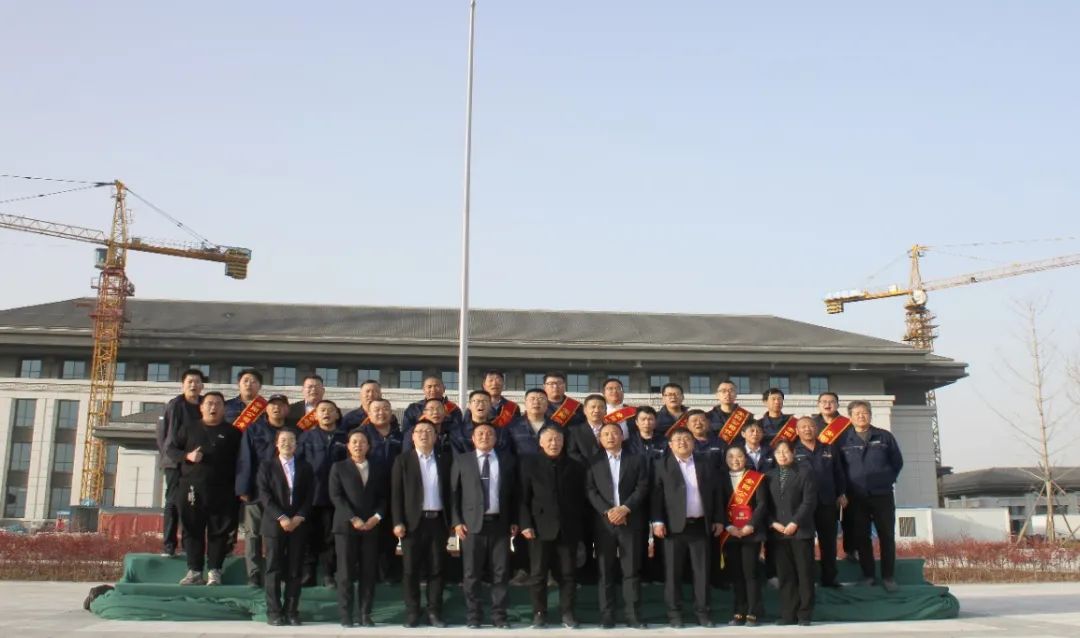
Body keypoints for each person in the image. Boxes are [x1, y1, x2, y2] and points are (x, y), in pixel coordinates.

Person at [651, 428, 724, 628]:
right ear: (670, 444)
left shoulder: (705, 463)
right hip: (673, 528)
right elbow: (656, 496)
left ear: (693, 442)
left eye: (686, 438)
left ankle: (703, 613)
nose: (682, 442)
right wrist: (657, 521)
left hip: (700, 526)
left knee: (702, 573)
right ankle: (674, 614)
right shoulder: (661, 465)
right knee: (673, 574)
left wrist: (718, 519)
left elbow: (716, 493)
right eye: (677, 439)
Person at [166, 391, 242, 586]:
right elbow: (171, 449)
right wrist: (187, 456)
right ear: (201, 407)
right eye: (209, 403)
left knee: (219, 532)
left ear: (224, 408)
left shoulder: (233, 433)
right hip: (192, 488)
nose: (213, 407)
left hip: (223, 491)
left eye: (218, 404)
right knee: (192, 529)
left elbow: (242, 462)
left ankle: (215, 570)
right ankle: (194, 571)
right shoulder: (189, 428)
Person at [451, 422, 518, 628]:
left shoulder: (507, 460)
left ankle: (499, 616)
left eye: (489, 433)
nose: (484, 437)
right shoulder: (462, 460)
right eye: (480, 433)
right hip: (471, 526)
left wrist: (514, 520)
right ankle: (474, 616)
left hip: (500, 524)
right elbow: (454, 493)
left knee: (500, 572)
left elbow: (514, 493)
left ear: (496, 439)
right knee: (472, 573)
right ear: (473, 438)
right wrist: (457, 521)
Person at [519, 426, 585, 629]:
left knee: (568, 574)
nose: (554, 443)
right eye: (549, 439)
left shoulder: (575, 466)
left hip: (568, 527)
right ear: (540, 442)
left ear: (563, 442)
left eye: (557, 439)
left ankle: (567, 613)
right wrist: (525, 524)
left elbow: (581, 499)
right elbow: (523, 498)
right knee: (538, 574)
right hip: (539, 528)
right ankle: (539, 614)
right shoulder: (529, 464)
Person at [585, 422, 649, 628]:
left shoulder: (636, 459)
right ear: (600, 439)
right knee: (605, 571)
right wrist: (608, 511)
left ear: (622, 437)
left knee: (631, 571)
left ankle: (633, 616)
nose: (610, 437)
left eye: (614, 433)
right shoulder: (593, 462)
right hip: (604, 524)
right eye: (606, 434)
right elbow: (590, 490)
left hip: (630, 520)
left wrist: (625, 508)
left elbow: (642, 486)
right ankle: (607, 616)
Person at [837, 400, 903, 592]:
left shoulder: (884, 436)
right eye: (857, 413)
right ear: (850, 417)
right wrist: (842, 491)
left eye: (864, 412)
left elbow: (897, 462)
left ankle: (888, 576)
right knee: (862, 536)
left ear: (870, 415)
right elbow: (838, 469)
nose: (861, 416)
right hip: (855, 497)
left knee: (886, 535)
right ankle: (868, 576)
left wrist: (886, 480)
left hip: (882, 495)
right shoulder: (843, 440)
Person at [392, 420, 452, 628]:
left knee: (437, 569)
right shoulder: (403, 460)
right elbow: (396, 494)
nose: (424, 435)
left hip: (438, 522)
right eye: (419, 431)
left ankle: (434, 612)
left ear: (436, 437)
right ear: (412, 436)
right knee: (411, 570)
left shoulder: (444, 459)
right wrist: (397, 521)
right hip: (412, 524)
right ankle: (413, 611)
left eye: (428, 431)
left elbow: (451, 492)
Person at [235, 393, 300, 587]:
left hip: (284, 493)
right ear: (266, 408)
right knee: (253, 534)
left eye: (281, 405)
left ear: (287, 409)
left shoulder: (295, 431)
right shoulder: (254, 429)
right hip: (256, 492)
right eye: (273, 405)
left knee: (281, 534)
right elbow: (245, 459)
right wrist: (243, 487)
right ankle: (254, 574)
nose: (276, 408)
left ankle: (281, 573)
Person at [329, 428, 386, 628]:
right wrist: (353, 518)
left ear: (368, 446)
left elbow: (383, 497)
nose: (358, 445)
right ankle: (346, 615)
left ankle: (365, 613)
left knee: (368, 573)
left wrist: (376, 517)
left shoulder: (378, 468)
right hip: (346, 527)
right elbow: (336, 496)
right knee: (345, 573)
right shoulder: (339, 467)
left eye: (362, 442)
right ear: (348, 445)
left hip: (371, 526)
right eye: (354, 442)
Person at [258, 428, 314, 627]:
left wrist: (298, 517)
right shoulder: (267, 466)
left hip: (298, 524)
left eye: (291, 440)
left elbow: (309, 495)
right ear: (276, 443)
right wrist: (281, 517)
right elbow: (264, 495)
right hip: (274, 524)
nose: (287, 443)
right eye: (283, 440)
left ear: (296, 445)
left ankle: (291, 611)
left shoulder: (305, 467)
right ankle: (274, 612)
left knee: (295, 569)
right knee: (273, 568)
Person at [296, 400, 348, 587]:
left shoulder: (345, 437)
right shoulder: (306, 437)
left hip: (335, 497)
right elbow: (298, 463)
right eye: (322, 410)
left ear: (337, 414)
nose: (326, 413)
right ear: (315, 415)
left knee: (330, 537)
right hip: (311, 495)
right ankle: (308, 573)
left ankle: (328, 574)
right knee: (308, 536)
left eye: (330, 410)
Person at [766, 440, 817, 626]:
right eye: (778, 452)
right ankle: (788, 614)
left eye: (786, 451)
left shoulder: (805, 472)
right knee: (785, 575)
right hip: (778, 533)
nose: (782, 455)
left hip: (800, 531)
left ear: (793, 453)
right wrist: (772, 523)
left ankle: (804, 614)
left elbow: (809, 501)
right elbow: (764, 504)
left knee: (804, 574)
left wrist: (795, 522)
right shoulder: (769, 476)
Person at [156, 368, 205, 557]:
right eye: (189, 381)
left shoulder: (204, 404)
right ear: (183, 385)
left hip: (196, 463)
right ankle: (169, 545)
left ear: (202, 385)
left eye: (197, 382)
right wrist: (182, 456)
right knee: (173, 501)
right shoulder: (176, 405)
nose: (193, 385)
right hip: (176, 462)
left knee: (191, 504)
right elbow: (167, 438)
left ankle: (188, 546)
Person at [793, 415, 846, 588]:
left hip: (827, 502)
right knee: (805, 543)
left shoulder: (829, 448)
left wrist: (841, 493)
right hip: (803, 505)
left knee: (828, 542)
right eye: (803, 427)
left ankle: (829, 578)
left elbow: (839, 473)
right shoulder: (793, 451)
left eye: (811, 426)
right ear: (797, 431)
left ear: (816, 429)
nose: (807, 429)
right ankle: (808, 579)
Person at [720, 446, 769, 627]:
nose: (735, 460)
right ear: (726, 460)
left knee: (750, 573)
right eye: (731, 456)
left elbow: (762, 504)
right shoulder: (720, 478)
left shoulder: (756, 478)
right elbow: (717, 504)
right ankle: (739, 611)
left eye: (739, 456)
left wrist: (751, 525)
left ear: (746, 458)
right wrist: (728, 525)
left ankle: (753, 612)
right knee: (736, 574)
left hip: (751, 533)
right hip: (731, 533)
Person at [811, 392, 857, 562]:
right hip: (824, 476)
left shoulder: (848, 424)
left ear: (837, 404)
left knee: (850, 515)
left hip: (848, 474)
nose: (827, 404)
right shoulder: (812, 424)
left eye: (831, 401)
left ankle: (851, 550)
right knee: (821, 518)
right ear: (818, 404)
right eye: (824, 401)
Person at [454, 389, 511, 454]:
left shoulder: (500, 431)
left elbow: (504, 455)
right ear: (469, 406)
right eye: (476, 401)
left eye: (485, 401)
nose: (481, 404)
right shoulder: (458, 432)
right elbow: (457, 457)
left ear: (490, 406)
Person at [506, 388, 554, 456]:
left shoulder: (555, 426)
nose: (536, 402)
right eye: (532, 399)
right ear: (525, 403)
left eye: (541, 399)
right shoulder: (512, 426)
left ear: (547, 404)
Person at [706, 380, 753, 445]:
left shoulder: (747, 416)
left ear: (736, 395)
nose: (728, 394)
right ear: (717, 395)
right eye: (723, 391)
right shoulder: (708, 416)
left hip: (739, 450)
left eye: (731, 391)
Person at [566, 393, 607, 464]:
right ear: (585, 410)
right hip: (583, 468)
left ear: (606, 411)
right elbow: (571, 453)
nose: (596, 410)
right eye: (593, 407)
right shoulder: (574, 431)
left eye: (601, 407)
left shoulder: (612, 430)